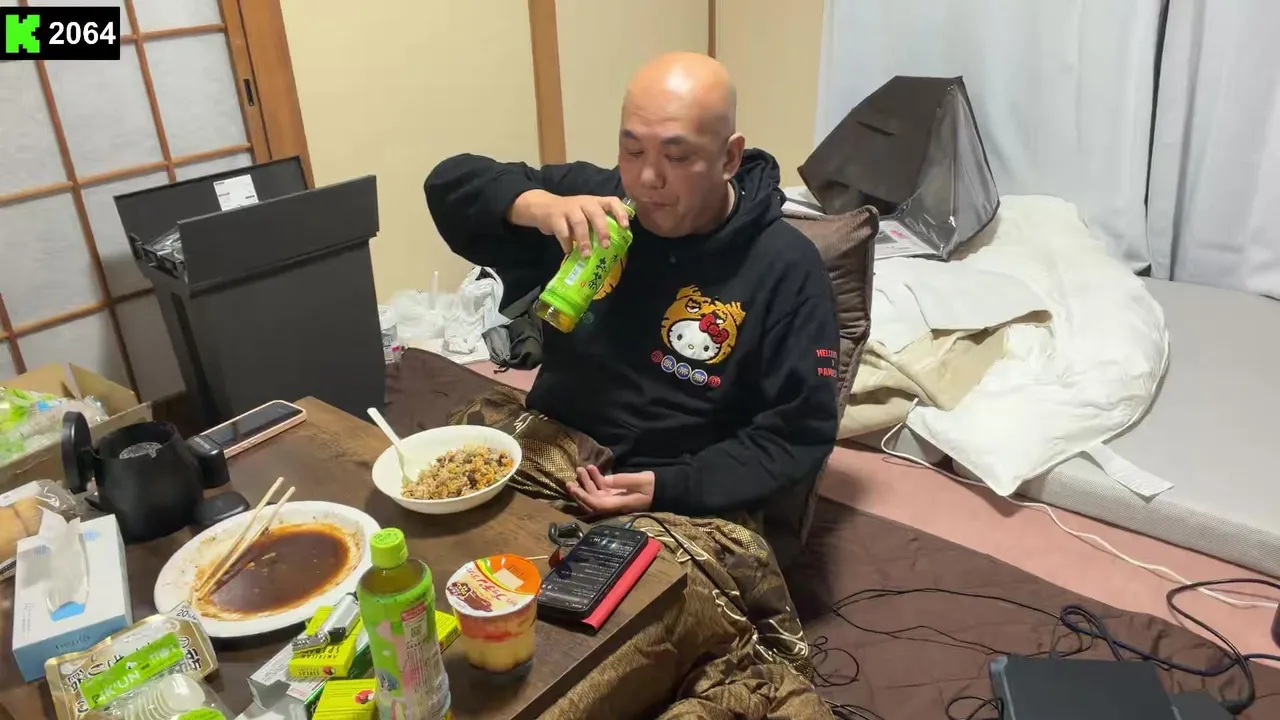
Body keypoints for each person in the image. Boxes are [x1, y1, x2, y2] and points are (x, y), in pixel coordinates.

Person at [425, 51, 840, 529]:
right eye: (633, 151)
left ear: (729, 157)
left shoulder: (786, 266)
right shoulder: (598, 202)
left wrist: (671, 486)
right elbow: (448, 183)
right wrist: (539, 207)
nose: (647, 179)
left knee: (608, 579)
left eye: (677, 157)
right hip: (551, 448)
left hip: (675, 489)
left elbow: (798, 433)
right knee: (428, 517)